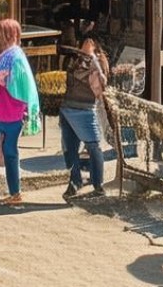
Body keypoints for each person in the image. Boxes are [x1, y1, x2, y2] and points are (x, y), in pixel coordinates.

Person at [0, 18, 40, 206]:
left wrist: (2, 80)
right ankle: (13, 192)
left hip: (8, 112)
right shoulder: (14, 54)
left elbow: (14, 83)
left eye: (0, 32)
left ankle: (13, 192)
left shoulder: (11, 56)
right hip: (8, 113)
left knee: (5, 150)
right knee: (6, 150)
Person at [58, 33, 109, 200]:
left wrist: (92, 57)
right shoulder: (75, 59)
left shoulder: (98, 61)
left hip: (85, 109)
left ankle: (98, 185)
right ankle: (75, 182)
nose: (86, 43)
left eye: (90, 41)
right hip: (67, 108)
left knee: (93, 146)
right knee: (69, 149)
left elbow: (101, 82)